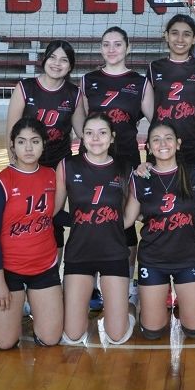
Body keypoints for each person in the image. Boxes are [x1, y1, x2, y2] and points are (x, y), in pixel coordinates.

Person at [81, 26, 150, 309]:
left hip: (127, 159)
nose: (112, 49)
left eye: (117, 44)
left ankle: (127, 282)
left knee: (126, 222)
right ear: (101, 49)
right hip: (95, 159)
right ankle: (94, 287)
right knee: (93, 217)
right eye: (106, 44)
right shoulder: (89, 80)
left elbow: (157, 119)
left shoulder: (139, 81)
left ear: (127, 48)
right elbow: (80, 121)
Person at [0, 117, 63, 349]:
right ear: (13, 146)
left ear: (43, 145)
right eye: (22, 142)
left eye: (35, 141)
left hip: (44, 267)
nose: (28, 148)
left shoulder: (51, 176)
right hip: (9, 272)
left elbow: (53, 215)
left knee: (50, 339)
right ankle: (9, 321)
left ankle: (35, 310)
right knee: (5, 344)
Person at [54, 113, 135, 346]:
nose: (95, 138)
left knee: (117, 336)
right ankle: (78, 312)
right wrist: (83, 220)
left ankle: (130, 306)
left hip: (114, 253)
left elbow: (130, 215)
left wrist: (106, 221)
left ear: (112, 138)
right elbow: (55, 211)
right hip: (80, 253)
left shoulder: (125, 168)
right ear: (82, 137)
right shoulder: (67, 166)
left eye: (102, 133)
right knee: (73, 336)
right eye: (89, 133)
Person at [123, 122, 195, 340]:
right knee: (152, 332)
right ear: (148, 147)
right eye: (156, 139)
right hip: (153, 260)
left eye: (168, 138)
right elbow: (127, 220)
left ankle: (186, 305)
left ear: (178, 144)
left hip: (188, 259)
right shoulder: (140, 178)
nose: (163, 143)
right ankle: (133, 306)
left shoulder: (194, 173)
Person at [6, 40, 85, 251]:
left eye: (64, 60)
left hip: (58, 167)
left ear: (70, 66)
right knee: (25, 215)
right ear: (44, 59)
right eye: (52, 57)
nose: (57, 63)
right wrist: (15, 167)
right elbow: (11, 133)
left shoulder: (73, 94)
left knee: (55, 221)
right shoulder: (25, 88)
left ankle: (52, 275)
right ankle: (23, 261)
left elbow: (83, 132)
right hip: (28, 165)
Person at [142, 14, 195, 167]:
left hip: (192, 143)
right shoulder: (154, 67)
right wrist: (159, 122)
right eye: (175, 33)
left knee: (193, 189)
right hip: (161, 143)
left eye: (187, 34)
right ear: (166, 36)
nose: (180, 39)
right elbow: (148, 106)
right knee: (160, 189)